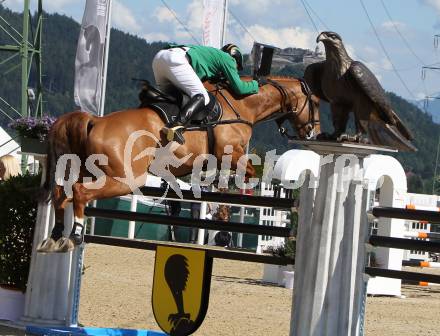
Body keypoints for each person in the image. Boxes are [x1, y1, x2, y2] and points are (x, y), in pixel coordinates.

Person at [152, 43, 261, 144]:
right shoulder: (229, 59)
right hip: (176, 60)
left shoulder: (212, 56)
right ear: (235, 58)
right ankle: (176, 126)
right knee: (203, 96)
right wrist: (256, 84)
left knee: (172, 97)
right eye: (236, 69)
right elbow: (240, 88)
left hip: (159, 58)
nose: (234, 71)